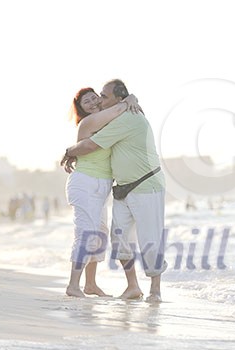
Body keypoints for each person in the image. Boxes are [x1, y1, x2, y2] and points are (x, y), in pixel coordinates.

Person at [62, 79, 167, 302]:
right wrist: (71, 150)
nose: (98, 100)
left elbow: (91, 145)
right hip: (111, 187)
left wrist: (69, 151)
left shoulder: (126, 118)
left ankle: (154, 290)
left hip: (144, 185)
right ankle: (129, 286)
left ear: (118, 99)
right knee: (113, 239)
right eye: (91, 98)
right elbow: (89, 143)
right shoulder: (102, 120)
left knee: (148, 238)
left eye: (102, 96)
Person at [64, 86, 142, 298]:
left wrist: (129, 100)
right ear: (81, 110)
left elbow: (117, 114)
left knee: (99, 235)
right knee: (85, 233)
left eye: (93, 98)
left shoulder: (109, 121)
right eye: (85, 103)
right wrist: (129, 99)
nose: (91, 103)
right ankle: (73, 285)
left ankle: (90, 285)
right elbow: (117, 111)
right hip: (85, 183)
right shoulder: (87, 123)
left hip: (102, 186)